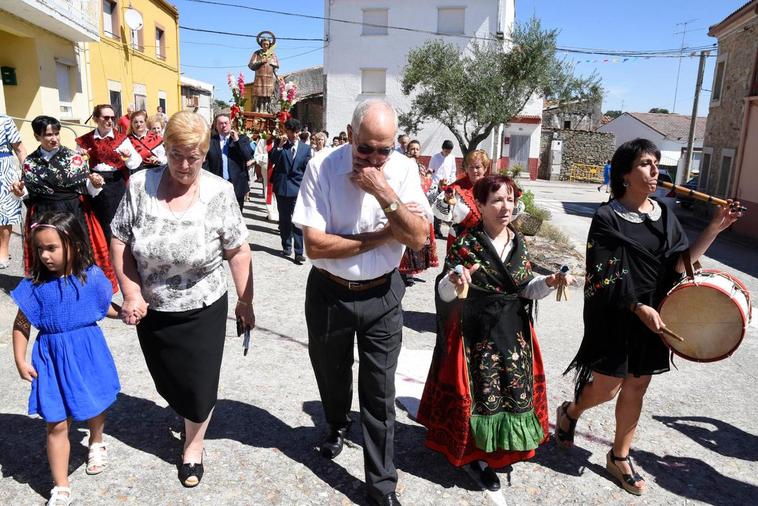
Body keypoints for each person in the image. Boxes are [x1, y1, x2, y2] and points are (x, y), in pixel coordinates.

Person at [556, 138, 742, 496]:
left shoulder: (664, 213)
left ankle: (619, 456)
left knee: (638, 385)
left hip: (658, 310)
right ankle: (571, 410)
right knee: (607, 388)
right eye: (645, 163)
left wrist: (714, 228)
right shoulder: (607, 218)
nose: (656, 170)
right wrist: (637, 306)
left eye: (657, 163)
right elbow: (603, 274)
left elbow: (678, 262)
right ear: (625, 174)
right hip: (617, 311)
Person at [293, 99, 432, 506]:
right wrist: (383, 236)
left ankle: (381, 484)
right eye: (365, 148)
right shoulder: (322, 166)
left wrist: (384, 192)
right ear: (350, 135)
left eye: (383, 149)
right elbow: (315, 245)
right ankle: (336, 424)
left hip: (383, 294)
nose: (373, 157)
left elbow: (419, 236)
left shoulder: (402, 171)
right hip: (329, 292)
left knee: (379, 392)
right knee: (332, 374)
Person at [110, 111, 255, 488]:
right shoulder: (140, 184)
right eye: (176, 154)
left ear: (205, 152)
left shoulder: (219, 192)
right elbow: (121, 238)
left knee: (199, 385)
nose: (185, 164)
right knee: (169, 382)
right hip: (153, 307)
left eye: (193, 155)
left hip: (203, 303)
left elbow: (238, 249)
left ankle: (193, 447)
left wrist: (245, 300)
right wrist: (130, 291)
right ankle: (187, 412)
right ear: (165, 148)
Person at [417, 174, 573, 491]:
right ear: (481, 205)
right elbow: (445, 293)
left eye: (511, 200)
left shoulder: (519, 243)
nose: (506, 207)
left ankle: (501, 450)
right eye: (497, 200)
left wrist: (550, 282)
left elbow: (525, 290)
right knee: (481, 397)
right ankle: (476, 457)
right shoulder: (465, 244)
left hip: (513, 334)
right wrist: (455, 281)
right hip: (474, 336)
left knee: (508, 395)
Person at [11, 211, 121, 506]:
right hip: (51, 359)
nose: (44, 255)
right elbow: (22, 323)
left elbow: (103, 305)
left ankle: (96, 440)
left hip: (87, 352)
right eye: (39, 249)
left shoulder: (92, 276)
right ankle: (60, 486)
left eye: (51, 248)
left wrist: (123, 313)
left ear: (73, 243)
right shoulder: (35, 286)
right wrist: (20, 360)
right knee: (56, 423)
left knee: (94, 402)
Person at [12, 115, 117, 291]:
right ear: (37, 136)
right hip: (43, 214)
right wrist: (19, 191)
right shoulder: (30, 162)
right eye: (48, 135)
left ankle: (80, 291)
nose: (54, 139)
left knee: (76, 255)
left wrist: (95, 184)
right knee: (48, 256)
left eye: (57, 133)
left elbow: (86, 188)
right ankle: (51, 292)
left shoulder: (74, 158)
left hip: (72, 213)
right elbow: (28, 192)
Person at [76, 104, 142, 242]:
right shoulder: (85, 140)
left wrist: (129, 156)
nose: (110, 121)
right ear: (95, 119)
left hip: (116, 184)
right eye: (106, 117)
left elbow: (135, 163)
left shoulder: (122, 139)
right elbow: (77, 167)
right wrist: (80, 158)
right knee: (97, 222)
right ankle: (103, 256)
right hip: (93, 185)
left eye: (112, 117)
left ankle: (119, 254)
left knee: (118, 222)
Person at [270, 118, 311, 264]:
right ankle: (286, 245)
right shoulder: (280, 144)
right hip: (282, 188)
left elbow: (307, 169)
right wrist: (280, 146)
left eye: (296, 132)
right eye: (290, 131)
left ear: (299, 132)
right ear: (286, 131)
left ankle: (299, 252)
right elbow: (273, 159)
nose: (293, 135)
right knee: (285, 219)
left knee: (298, 220)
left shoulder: (306, 149)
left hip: (298, 188)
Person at [433, 149, 493, 250]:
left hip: (485, 239)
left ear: (485, 168)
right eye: (471, 167)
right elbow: (439, 212)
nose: (474, 171)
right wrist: (446, 201)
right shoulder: (455, 187)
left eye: (478, 167)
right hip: (459, 240)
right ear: (466, 168)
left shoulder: (493, 187)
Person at [399, 139, 438, 286]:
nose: (414, 151)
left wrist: (427, 180)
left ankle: (410, 271)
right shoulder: (401, 164)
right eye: (412, 148)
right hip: (405, 202)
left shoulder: (422, 168)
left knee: (416, 241)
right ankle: (401, 270)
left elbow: (426, 185)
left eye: (417, 149)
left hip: (419, 203)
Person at [203, 113, 254, 211]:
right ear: (216, 126)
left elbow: (247, 156)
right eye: (220, 123)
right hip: (217, 185)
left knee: (237, 216)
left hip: (237, 185)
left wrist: (236, 140)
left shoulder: (242, 139)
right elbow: (206, 163)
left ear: (230, 124)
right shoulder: (210, 141)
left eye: (226, 123)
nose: (223, 126)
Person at [0, 113, 26, 268]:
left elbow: (20, 149)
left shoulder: (5, 121)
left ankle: (3, 251)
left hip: (3, 170)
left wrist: (26, 173)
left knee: (4, 213)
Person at [428, 140, 456, 236]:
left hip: (447, 187)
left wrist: (452, 185)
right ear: (442, 148)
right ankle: (436, 229)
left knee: (445, 208)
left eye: (449, 151)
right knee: (435, 207)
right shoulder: (435, 157)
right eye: (446, 151)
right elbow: (430, 170)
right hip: (436, 186)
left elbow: (453, 172)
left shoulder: (452, 158)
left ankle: (444, 229)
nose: (448, 153)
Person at [248, 35, 279, 112]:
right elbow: (251, 65)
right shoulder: (257, 53)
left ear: (269, 45)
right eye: (264, 44)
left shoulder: (273, 54)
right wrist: (261, 61)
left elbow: (276, 66)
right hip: (259, 78)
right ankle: (258, 110)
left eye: (267, 44)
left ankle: (266, 110)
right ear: (261, 44)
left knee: (267, 96)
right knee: (259, 95)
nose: (265, 46)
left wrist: (277, 76)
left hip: (269, 78)